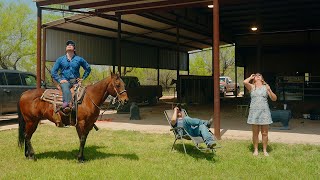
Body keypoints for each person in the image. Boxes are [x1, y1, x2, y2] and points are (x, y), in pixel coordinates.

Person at [51, 40, 91, 113]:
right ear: (66, 48)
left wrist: (82, 78)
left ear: (74, 49)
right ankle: (66, 104)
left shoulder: (79, 59)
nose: (69, 45)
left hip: (76, 82)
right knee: (66, 89)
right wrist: (60, 80)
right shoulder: (60, 59)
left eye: (71, 45)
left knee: (85, 93)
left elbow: (88, 69)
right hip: (65, 81)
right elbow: (53, 71)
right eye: (67, 45)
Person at [243, 73, 277, 156]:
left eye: (259, 75)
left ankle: (265, 150)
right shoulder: (252, 87)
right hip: (254, 113)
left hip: (264, 112)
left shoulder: (266, 87)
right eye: (256, 75)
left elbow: (274, 99)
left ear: (262, 79)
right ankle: (256, 150)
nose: (257, 76)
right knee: (255, 133)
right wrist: (250, 77)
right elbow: (244, 82)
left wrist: (269, 90)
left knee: (265, 133)